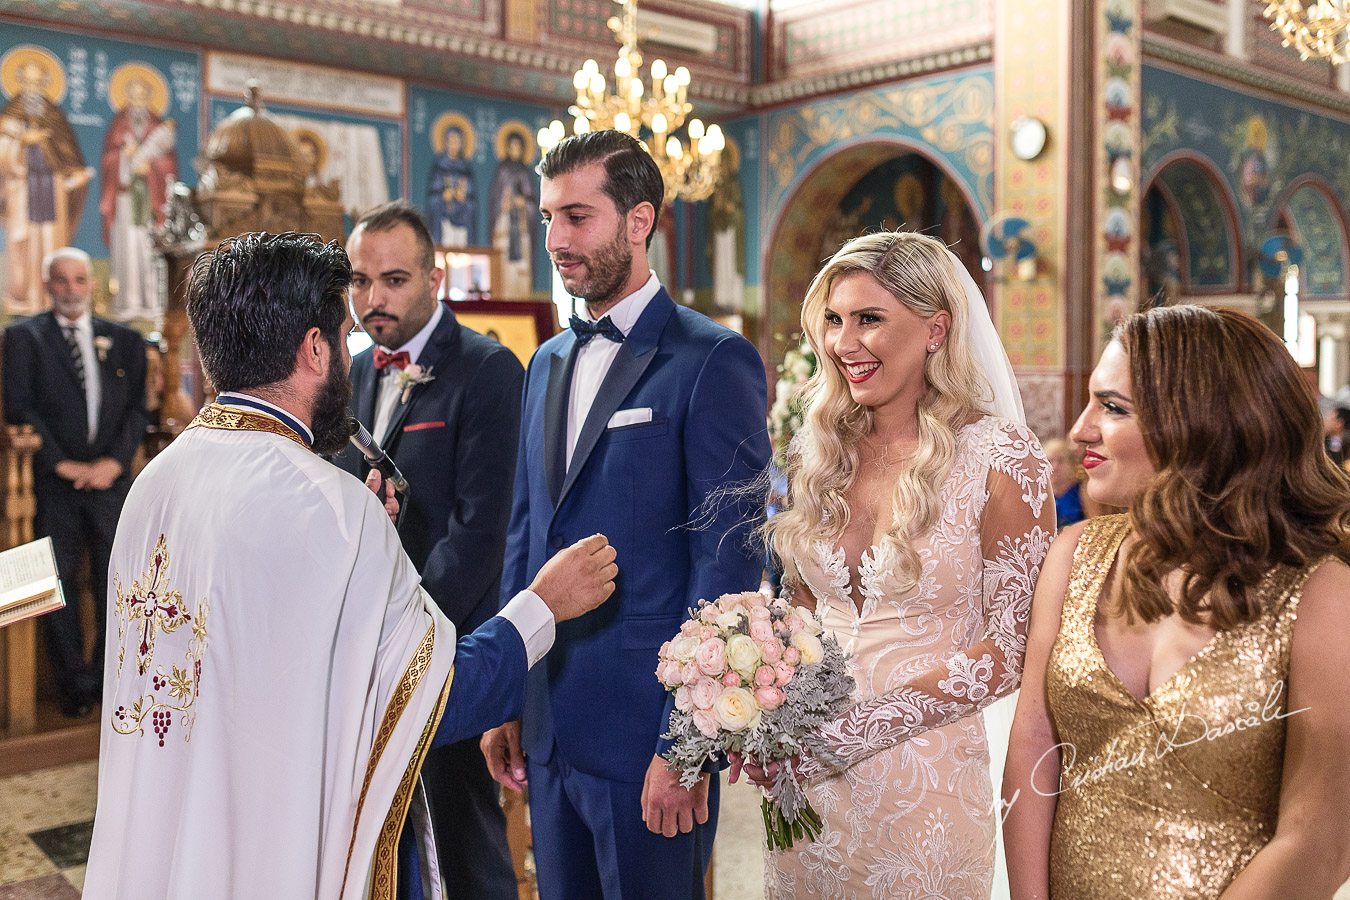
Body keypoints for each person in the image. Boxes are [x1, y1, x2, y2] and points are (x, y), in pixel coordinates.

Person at [82, 231, 618, 900]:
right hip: (276, 853)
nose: (348, 350)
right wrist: (544, 603)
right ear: (314, 350)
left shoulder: (153, 485)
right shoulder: (330, 506)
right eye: (341, 334)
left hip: (172, 845)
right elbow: (436, 700)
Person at [480, 129, 770, 900]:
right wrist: (510, 689)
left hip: (646, 732)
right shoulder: (545, 361)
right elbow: (524, 533)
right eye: (547, 218)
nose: (555, 240)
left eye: (578, 217)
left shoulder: (713, 360)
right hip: (548, 726)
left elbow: (731, 568)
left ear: (639, 221)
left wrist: (686, 748)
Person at [1003, 305, 1350, 900]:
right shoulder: (1074, 555)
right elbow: (1033, 746)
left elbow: (1320, 838)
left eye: (1113, 408)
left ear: (1203, 423)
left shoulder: (1321, 593)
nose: (1082, 427)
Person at [749, 231, 1054, 900]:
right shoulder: (820, 450)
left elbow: (1011, 648)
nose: (841, 342)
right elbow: (801, 604)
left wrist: (855, 731)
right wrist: (767, 707)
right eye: (833, 319)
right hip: (807, 791)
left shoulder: (1003, 458)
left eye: (868, 319)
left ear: (935, 328)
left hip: (926, 792)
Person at [334, 200, 525, 900]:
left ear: (436, 279)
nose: (372, 300)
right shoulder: (350, 374)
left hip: (450, 639)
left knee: (461, 830)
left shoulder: (487, 368)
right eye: (359, 282)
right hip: (369, 645)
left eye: (394, 280)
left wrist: (410, 632)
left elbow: (481, 529)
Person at [3, 247, 147, 718]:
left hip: (111, 480)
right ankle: (74, 683)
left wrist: (114, 463)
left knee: (120, 579)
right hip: (50, 480)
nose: (70, 289)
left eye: (79, 280)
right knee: (49, 582)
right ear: (48, 286)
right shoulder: (22, 339)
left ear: (92, 285)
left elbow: (137, 412)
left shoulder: (124, 339)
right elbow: (19, 405)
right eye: (61, 281)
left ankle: (112, 677)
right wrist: (61, 464)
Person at [0, 57, 93, 313]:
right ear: (19, 82)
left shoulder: (54, 114)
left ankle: (49, 302)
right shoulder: (10, 113)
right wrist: (23, 140)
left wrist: (75, 176)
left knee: (51, 243)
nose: (33, 87)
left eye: (38, 82)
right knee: (23, 245)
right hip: (22, 188)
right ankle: (23, 301)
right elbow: (2, 154)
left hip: (52, 188)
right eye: (28, 81)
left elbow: (67, 153)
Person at [100, 68, 178, 321]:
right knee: (128, 248)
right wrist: (126, 157)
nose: (138, 102)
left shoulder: (157, 125)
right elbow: (110, 159)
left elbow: (168, 164)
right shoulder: (119, 125)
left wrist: (150, 167)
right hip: (125, 199)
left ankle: (152, 303)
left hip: (150, 200)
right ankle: (128, 302)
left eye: (142, 96)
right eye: (132, 96)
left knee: (149, 249)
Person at [489, 129, 536, 298]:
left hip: (522, 228)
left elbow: (531, 201)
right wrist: (504, 203)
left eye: (518, 147)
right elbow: (495, 199)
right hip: (505, 225)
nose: (515, 150)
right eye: (512, 147)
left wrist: (523, 202)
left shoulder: (525, 171)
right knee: (503, 266)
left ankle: (522, 297)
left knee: (522, 267)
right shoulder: (502, 170)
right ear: (507, 148)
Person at [427, 125, 474, 246]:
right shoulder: (439, 165)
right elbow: (433, 195)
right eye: (451, 140)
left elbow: (471, 198)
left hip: (462, 220)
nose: (454, 144)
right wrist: (442, 196)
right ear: (445, 142)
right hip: (444, 217)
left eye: (457, 141)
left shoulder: (465, 167)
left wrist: (463, 197)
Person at [1044, 437, 1085, 529]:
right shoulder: (1039, 495)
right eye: (1049, 461)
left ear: (1071, 464)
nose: (1055, 467)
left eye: (1060, 461)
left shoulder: (1082, 491)